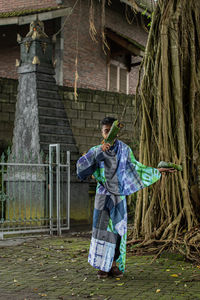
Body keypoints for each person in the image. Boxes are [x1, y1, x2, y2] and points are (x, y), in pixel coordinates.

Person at [76, 117, 175, 279]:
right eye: (105, 130)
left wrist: (157, 171)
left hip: (119, 198)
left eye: (111, 130)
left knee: (118, 231)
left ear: (116, 132)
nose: (108, 133)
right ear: (102, 132)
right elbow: (81, 168)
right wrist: (98, 152)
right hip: (102, 197)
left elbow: (137, 169)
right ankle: (103, 266)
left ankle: (114, 265)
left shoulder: (124, 150)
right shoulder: (96, 149)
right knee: (102, 231)